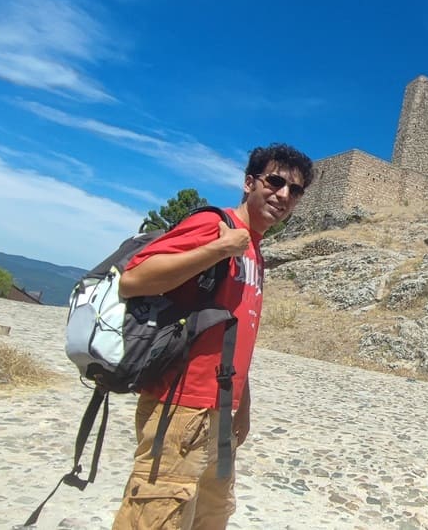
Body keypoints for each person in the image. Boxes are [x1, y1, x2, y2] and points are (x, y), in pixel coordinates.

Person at [111, 143, 313, 529]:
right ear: (249, 182)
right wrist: (220, 248)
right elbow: (133, 280)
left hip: (220, 413)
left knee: (210, 516)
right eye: (275, 181)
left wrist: (243, 404)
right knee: (155, 517)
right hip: (181, 406)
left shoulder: (254, 248)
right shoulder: (217, 226)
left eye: (295, 190)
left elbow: (235, 333)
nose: (284, 195)